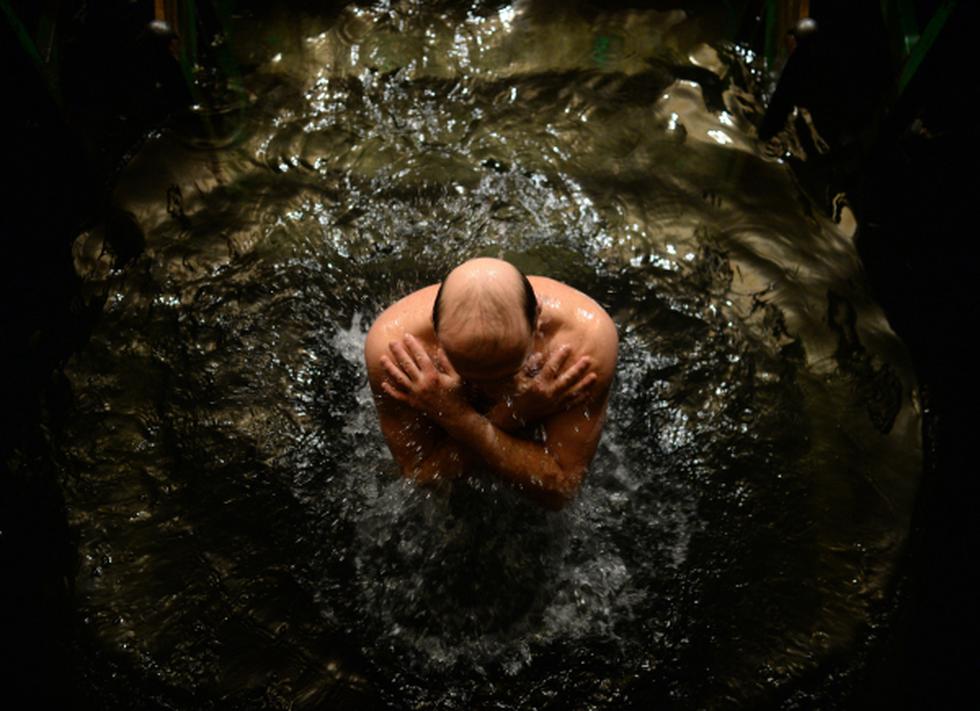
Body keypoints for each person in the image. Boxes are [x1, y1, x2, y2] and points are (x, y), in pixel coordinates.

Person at [364, 257, 618, 509]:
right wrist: (513, 413)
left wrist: (458, 416)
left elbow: (560, 491)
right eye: (470, 377)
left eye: (507, 375)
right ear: (435, 328)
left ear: (537, 319)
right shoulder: (394, 352)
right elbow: (421, 478)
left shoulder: (585, 343)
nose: (489, 390)